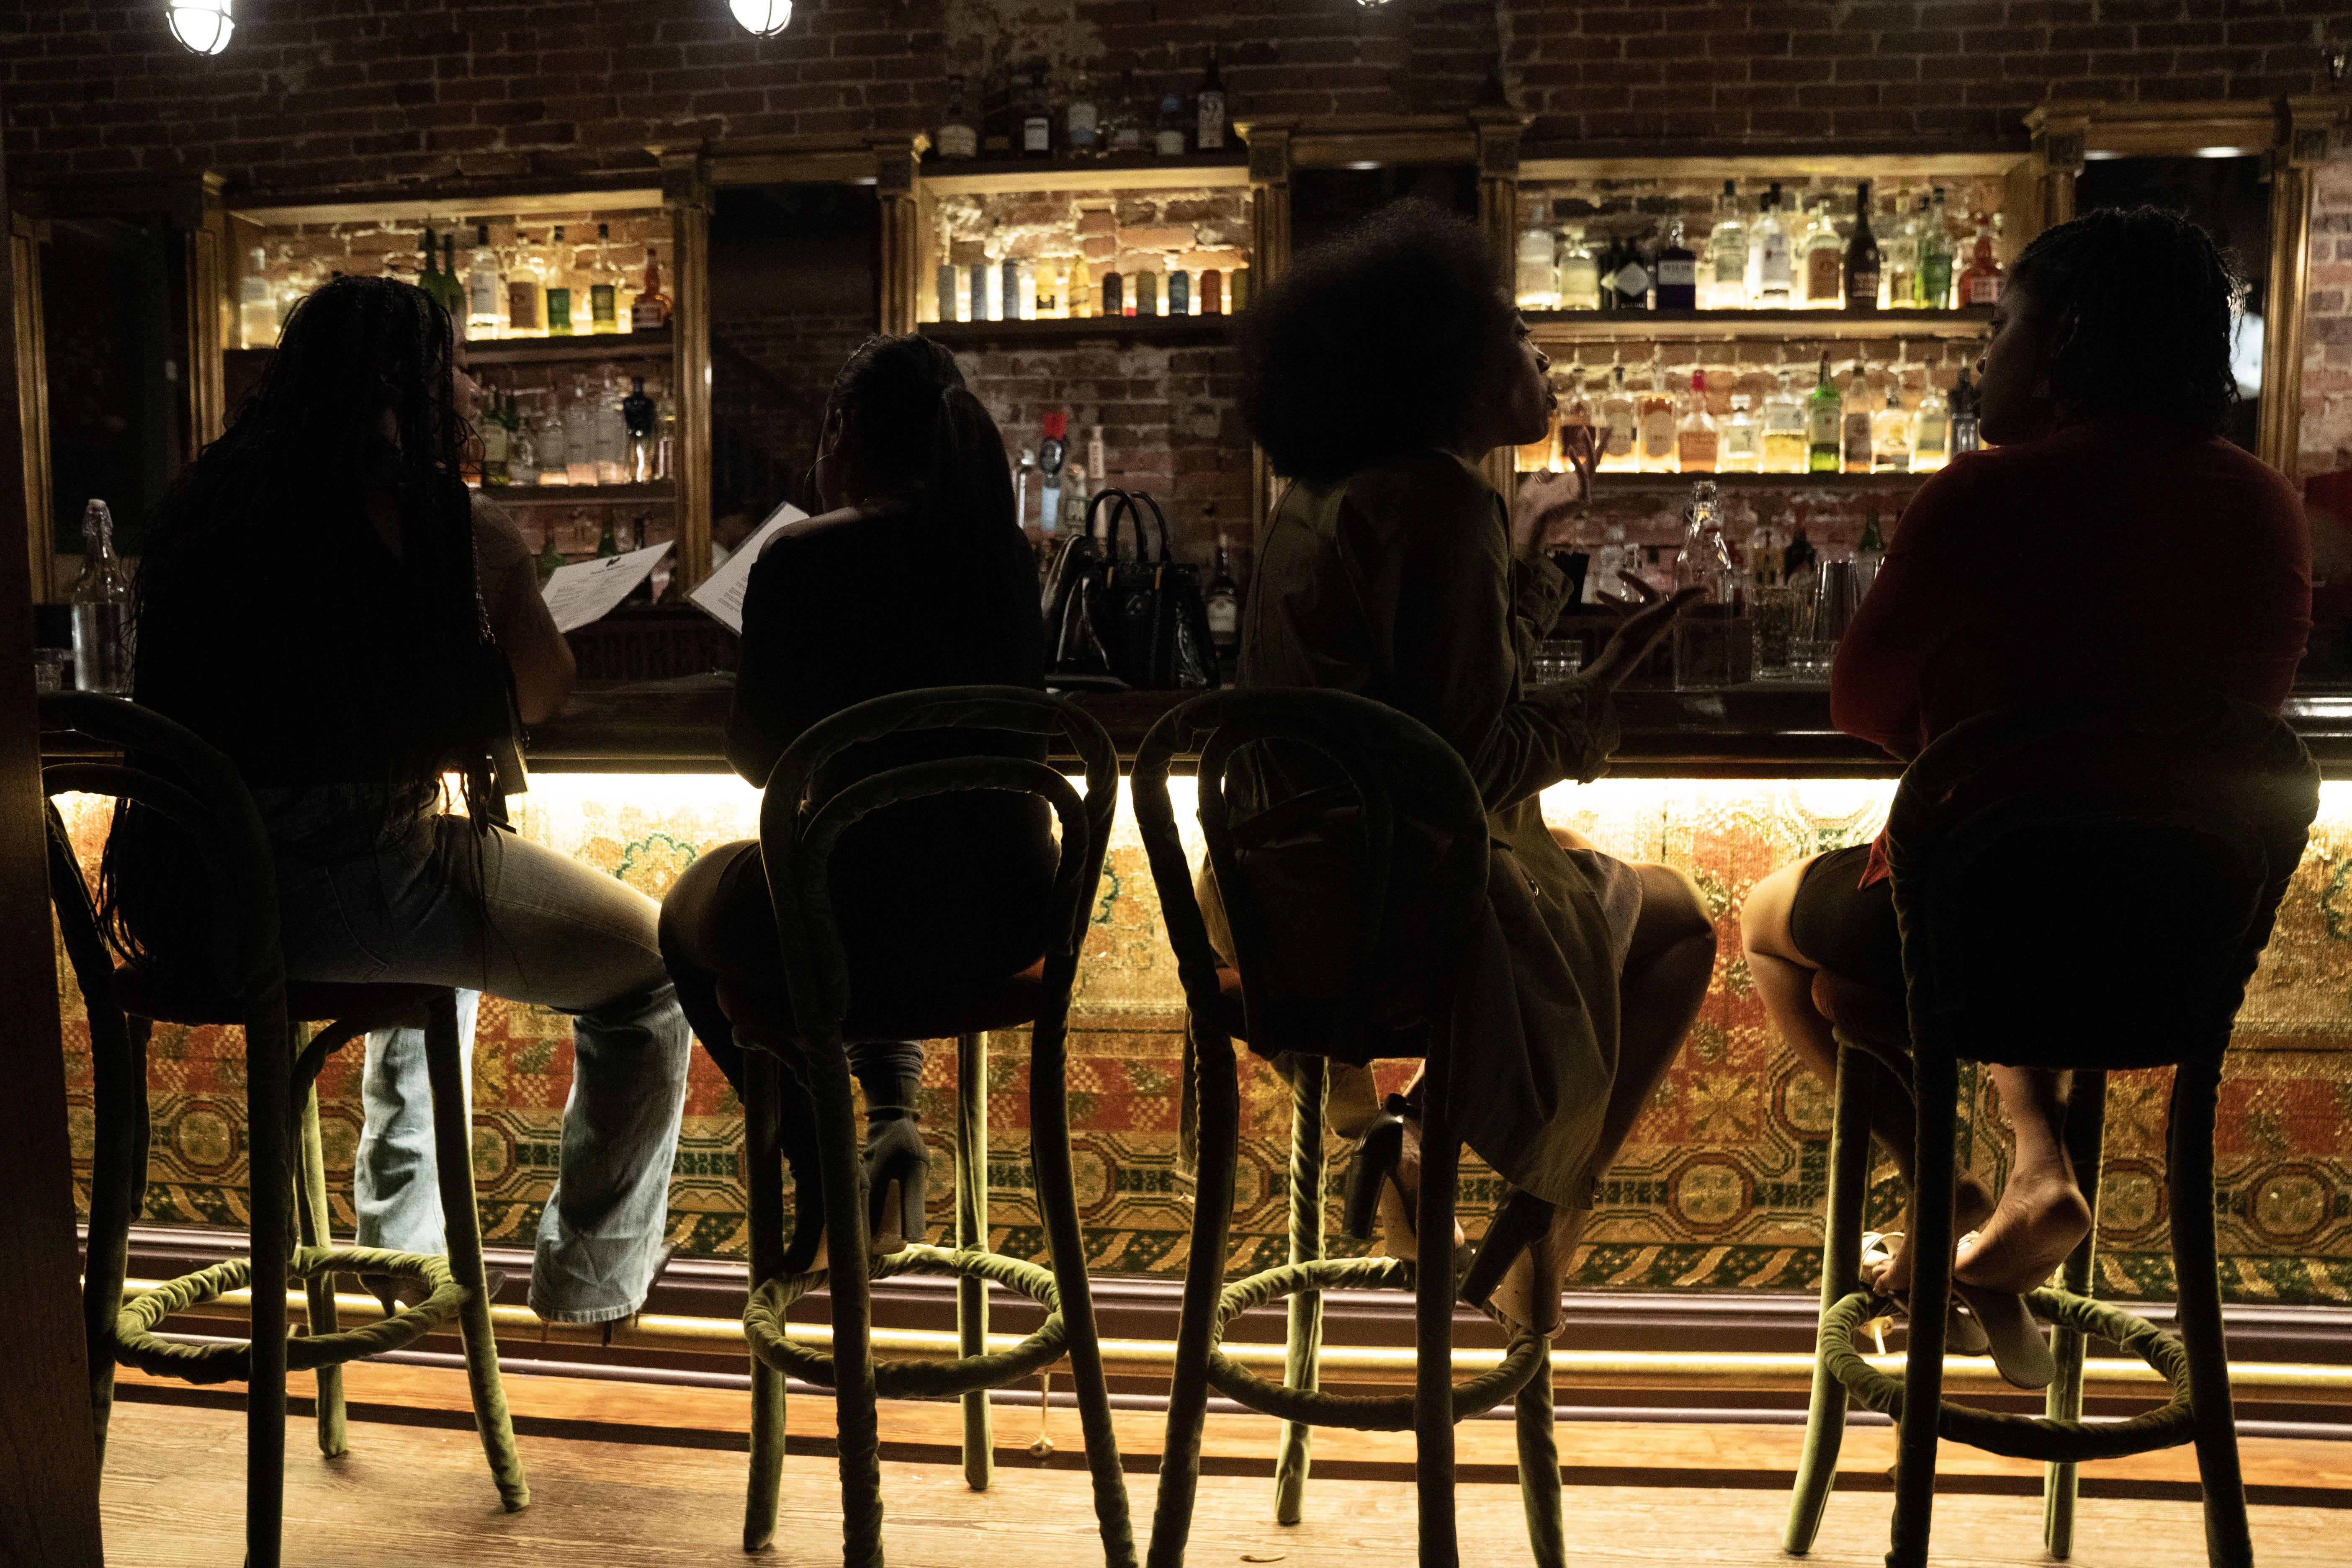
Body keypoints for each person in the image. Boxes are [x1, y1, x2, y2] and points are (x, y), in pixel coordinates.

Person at [1739, 207, 2311, 1374]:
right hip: (2167, 956)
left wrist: (1965, 731)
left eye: (2001, 325)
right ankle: (2035, 1172)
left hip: (1975, 937)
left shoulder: (1984, 496)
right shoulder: (2264, 505)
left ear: (2065, 344)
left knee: (1780, 924)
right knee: (2020, 887)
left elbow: (1856, 702)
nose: (1981, 355)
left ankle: (1945, 1195)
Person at [105, 275, 691, 1330]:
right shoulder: (443, 525)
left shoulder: (202, 505)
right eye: (455, 368)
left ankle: (396, 1250)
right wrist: (507, 575)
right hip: (351, 882)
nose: (470, 389)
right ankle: (589, 1283)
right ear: (396, 381)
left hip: (196, 903)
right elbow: (540, 693)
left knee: (433, 947)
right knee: (652, 972)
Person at [1218, 200, 1719, 1338]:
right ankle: (1539, 1213)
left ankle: (1420, 1151)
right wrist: (1593, 715)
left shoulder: (1333, 494)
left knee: (1610, 898)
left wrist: (1537, 536)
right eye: (1518, 337)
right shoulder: (1443, 504)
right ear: (1448, 363)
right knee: (1682, 924)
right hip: (1403, 912)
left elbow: (1435, 690)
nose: (1541, 357)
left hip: (1288, 907)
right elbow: (1473, 758)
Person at [659, 335, 1054, 1257]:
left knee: (688, 912)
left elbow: (762, 759)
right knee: (868, 878)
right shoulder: (1005, 554)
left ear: (840, 428)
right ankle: (890, 1116)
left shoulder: (799, 555)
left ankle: (819, 1164)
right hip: (1009, 917)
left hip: (855, 920)